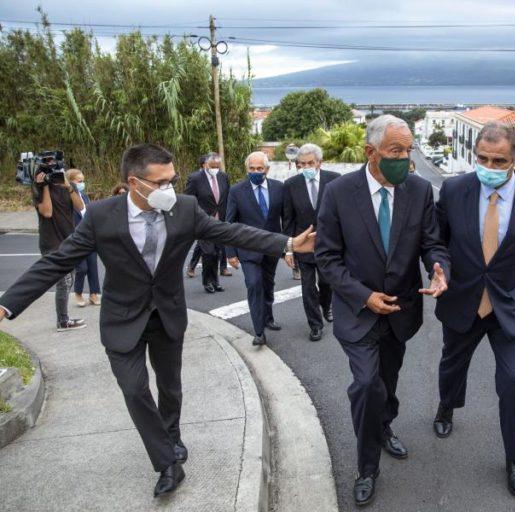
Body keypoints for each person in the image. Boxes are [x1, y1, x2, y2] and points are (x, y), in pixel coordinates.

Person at [0, 143, 315, 498]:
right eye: (162, 182)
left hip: (166, 313)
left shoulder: (184, 208)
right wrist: (7, 304)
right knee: (135, 390)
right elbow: (57, 261)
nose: (170, 189)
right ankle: (167, 462)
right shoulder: (102, 216)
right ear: (134, 183)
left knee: (170, 387)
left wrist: (287, 244)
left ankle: (173, 436)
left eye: (173, 180)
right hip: (122, 319)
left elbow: (231, 232)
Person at [315, 115, 450, 507]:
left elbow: (432, 244)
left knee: (386, 383)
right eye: (396, 152)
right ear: (369, 152)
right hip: (358, 312)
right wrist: (363, 295)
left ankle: (384, 424)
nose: (405, 160)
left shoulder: (420, 191)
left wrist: (440, 269)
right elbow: (327, 257)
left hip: (401, 311)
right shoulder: (339, 192)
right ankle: (366, 466)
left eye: (409, 151)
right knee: (365, 384)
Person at [432, 122, 515, 498]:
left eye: (498, 160)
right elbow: (439, 241)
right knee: (453, 362)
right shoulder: (455, 190)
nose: (488, 165)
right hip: (461, 299)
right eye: (482, 158)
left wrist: (512, 280)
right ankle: (446, 407)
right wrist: (441, 270)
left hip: (508, 306)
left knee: (514, 380)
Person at [282, 143, 340, 341]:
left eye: (310, 163)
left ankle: (326, 305)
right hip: (303, 245)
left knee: (326, 283)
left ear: (319, 162)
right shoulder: (291, 185)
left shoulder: (334, 181)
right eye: (302, 164)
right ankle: (315, 325)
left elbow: (342, 215)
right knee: (307, 287)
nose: (306, 167)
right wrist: (288, 250)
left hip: (328, 245)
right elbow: (287, 219)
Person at [226, 152, 284, 346]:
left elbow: (285, 219)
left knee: (268, 284)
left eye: (260, 169)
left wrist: (289, 248)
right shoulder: (236, 191)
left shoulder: (279, 188)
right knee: (253, 284)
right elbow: (229, 224)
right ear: (247, 169)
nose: (256, 172)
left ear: (267, 169)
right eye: (252, 168)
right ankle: (259, 331)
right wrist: (231, 252)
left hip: (272, 248)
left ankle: (268, 317)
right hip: (248, 249)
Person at [31, 160, 86, 331]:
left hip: (69, 239)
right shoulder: (38, 188)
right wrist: (45, 186)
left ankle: (64, 317)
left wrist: (68, 186)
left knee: (68, 281)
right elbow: (47, 212)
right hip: (51, 242)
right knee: (63, 281)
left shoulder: (68, 186)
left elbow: (80, 206)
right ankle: (63, 321)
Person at [184, 153, 230, 293]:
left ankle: (215, 281)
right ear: (205, 165)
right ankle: (206, 281)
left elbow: (227, 198)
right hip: (203, 221)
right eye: (212, 166)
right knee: (208, 252)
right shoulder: (195, 178)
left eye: (217, 166)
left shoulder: (223, 177)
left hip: (220, 221)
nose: (215, 168)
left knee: (217, 253)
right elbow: (188, 199)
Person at [66, 169, 101, 308]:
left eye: (83, 181)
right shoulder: (67, 197)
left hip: (89, 235)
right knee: (82, 268)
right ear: (70, 182)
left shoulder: (84, 195)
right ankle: (78, 293)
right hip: (75, 237)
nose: (82, 183)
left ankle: (93, 293)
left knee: (93, 266)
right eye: (79, 181)